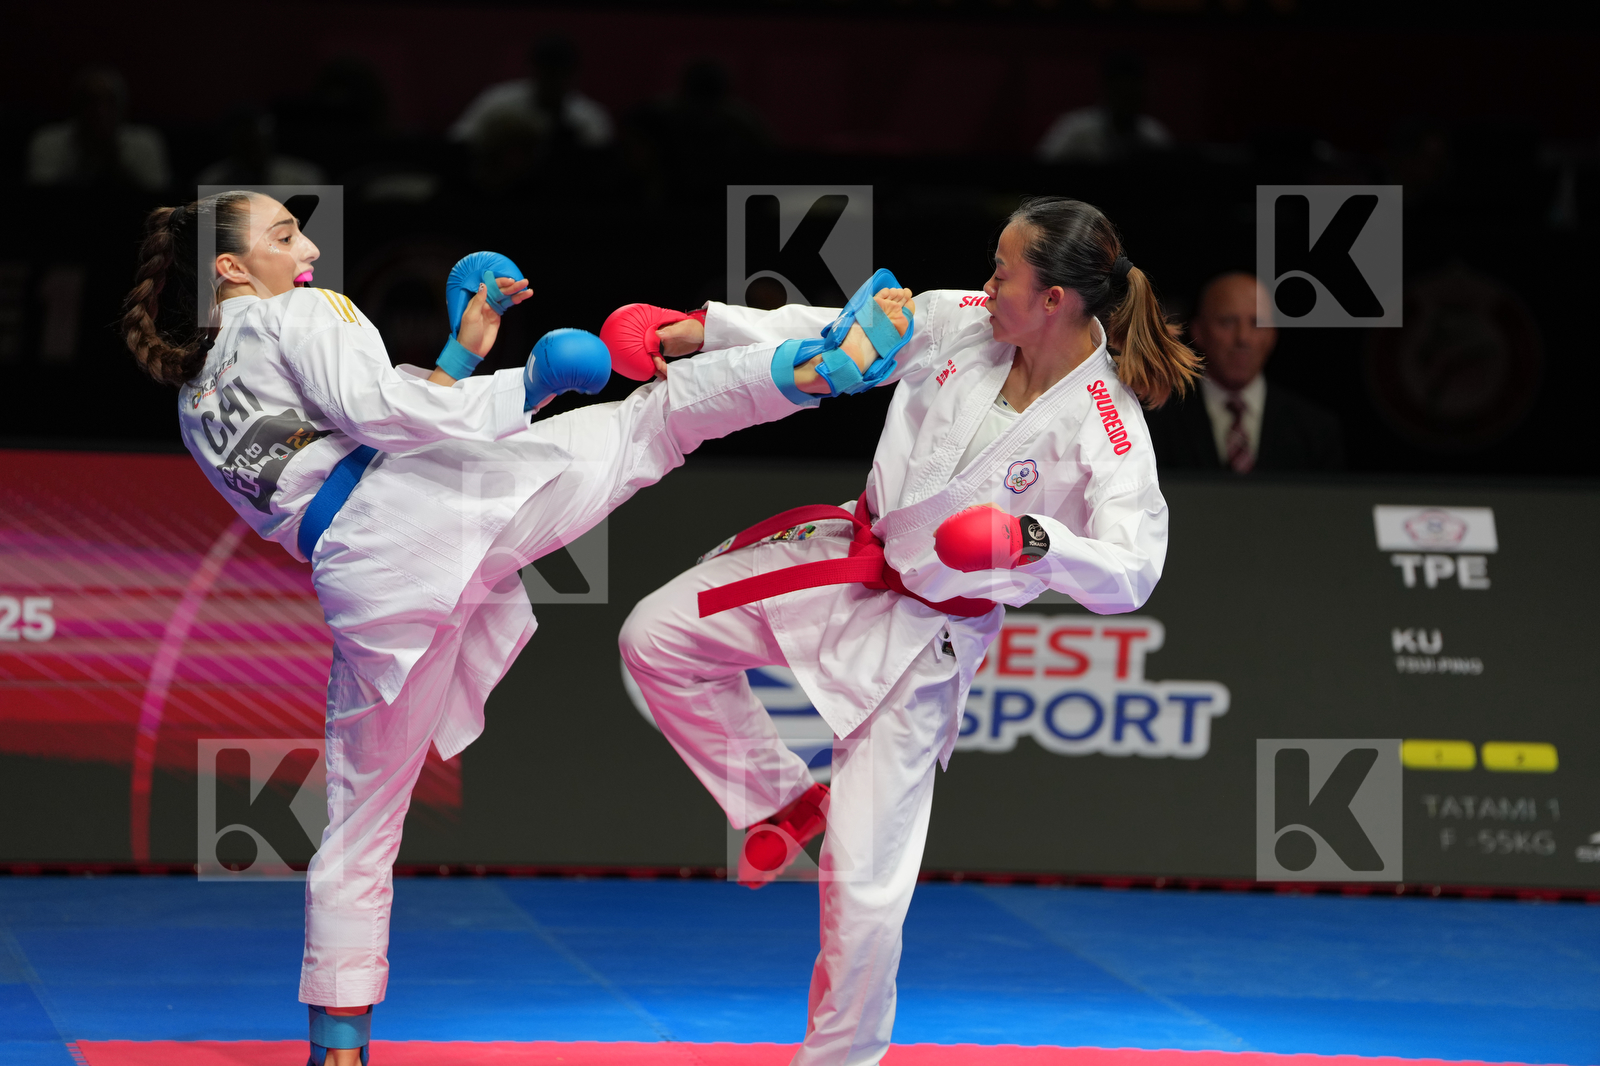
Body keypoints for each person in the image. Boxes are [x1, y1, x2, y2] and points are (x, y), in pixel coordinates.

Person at [118, 190, 870, 1066]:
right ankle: (813, 369)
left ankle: (339, 1041)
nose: (310, 244)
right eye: (285, 234)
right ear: (231, 268)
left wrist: (460, 347)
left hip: (365, 584)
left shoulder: (196, 402)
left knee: (360, 821)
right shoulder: (298, 309)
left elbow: (364, 428)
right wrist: (528, 384)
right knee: (650, 422)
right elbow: (384, 420)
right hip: (429, 513)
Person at [616, 197, 1200, 1066]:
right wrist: (698, 331)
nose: (988, 279)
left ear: (1056, 301)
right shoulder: (962, 320)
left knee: (862, 890)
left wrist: (1032, 540)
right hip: (849, 558)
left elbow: (1135, 567)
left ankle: (840, 1061)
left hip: (929, 644)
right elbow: (826, 328)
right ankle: (779, 797)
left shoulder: (1107, 424)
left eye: (1006, 269)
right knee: (653, 637)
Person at [1145, 272, 1344, 472]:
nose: (1243, 338)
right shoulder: (1155, 424)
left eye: (1256, 323)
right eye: (1227, 322)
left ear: (1272, 335)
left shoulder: (1316, 430)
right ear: (1198, 332)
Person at [450, 35, 613, 152]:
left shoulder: (589, 117)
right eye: (547, 72)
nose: (553, 80)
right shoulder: (498, 101)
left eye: (560, 73)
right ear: (532, 70)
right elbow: (459, 142)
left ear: (573, 75)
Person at [27, 67, 170, 190]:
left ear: (122, 106)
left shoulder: (145, 144)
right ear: (76, 105)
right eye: (91, 101)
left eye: (110, 101)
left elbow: (159, 199)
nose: (100, 111)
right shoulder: (47, 142)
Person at [1036, 52, 1171, 164]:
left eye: (1132, 96)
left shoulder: (1153, 134)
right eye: (1120, 93)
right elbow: (1041, 167)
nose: (1125, 103)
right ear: (1106, 90)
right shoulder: (1075, 129)